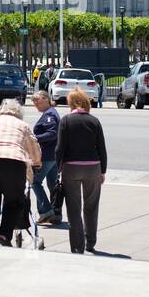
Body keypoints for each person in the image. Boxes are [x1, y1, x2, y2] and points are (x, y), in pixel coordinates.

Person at [0, 98, 41, 246]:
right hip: (13, 162)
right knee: (15, 201)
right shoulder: (23, 125)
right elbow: (34, 147)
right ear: (19, 112)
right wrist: (37, 162)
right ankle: (4, 234)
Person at [55, 88, 107, 254]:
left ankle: (77, 246)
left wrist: (58, 168)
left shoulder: (66, 121)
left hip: (71, 168)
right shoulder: (94, 121)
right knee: (91, 206)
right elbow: (102, 149)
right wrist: (102, 171)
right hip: (93, 167)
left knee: (74, 208)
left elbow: (59, 149)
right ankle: (90, 242)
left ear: (71, 103)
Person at [30, 90, 61, 225]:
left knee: (34, 181)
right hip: (53, 155)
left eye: (37, 100)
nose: (35, 103)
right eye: (33, 101)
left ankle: (46, 211)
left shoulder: (49, 115)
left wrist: (35, 138)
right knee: (53, 185)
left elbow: (52, 133)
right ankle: (56, 213)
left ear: (46, 99)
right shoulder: (50, 113)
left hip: (47, 155)